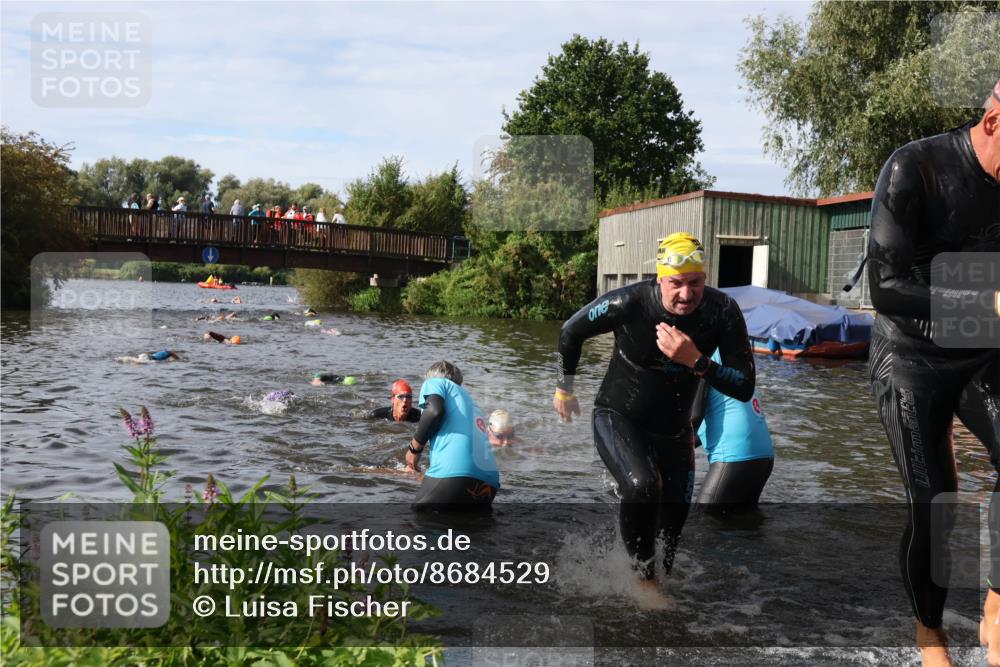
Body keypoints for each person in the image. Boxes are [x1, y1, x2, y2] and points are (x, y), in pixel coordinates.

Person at [867, 80, 1000, 667]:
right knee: (936, 500)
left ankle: (997, 599)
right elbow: (886, 290)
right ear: (994, 123)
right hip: (909, 355)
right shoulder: (915, 167)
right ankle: (930, 635)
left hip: (981, 351)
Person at [553, 232, 754, 598]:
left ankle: (651, 584)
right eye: (676, 283)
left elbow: (744, 386)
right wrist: (564, 388)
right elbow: (571, 331)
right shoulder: (629, 303)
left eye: (695, 283)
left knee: (670, 537)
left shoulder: (722, 312)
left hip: (674, 432)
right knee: (642, 486)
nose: (686, 294)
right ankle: (644, 584)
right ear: (660, 278)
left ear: (705, 279)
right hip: (617, 416)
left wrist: (696, 361)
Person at [405, 361, 501, 511]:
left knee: (417, 523)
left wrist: (414, 449)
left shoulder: (435, 383)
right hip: (489, 484)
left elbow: (434, 411)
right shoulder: (473, 404)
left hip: (455, 474)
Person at [690, 349, 774, 509]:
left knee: (705, 523)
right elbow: (719, 416)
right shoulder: (731, 352)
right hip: (764, 454)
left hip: (734, 455)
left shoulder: (698, 354)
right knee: (742, 524)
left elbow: (694, 417)